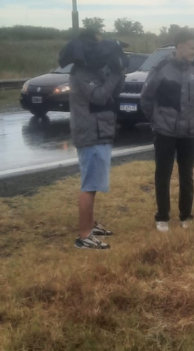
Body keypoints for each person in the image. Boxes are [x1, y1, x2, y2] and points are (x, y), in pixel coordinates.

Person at [141, 30, 194, 232]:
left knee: (187, 175)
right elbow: (146, 97)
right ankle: (162, 217)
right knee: (163, 175)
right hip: (165, 132)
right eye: (191, 48)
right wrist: (154, 120)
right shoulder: (161, 68)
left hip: (190, 133)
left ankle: (185, 217)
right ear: (179, 46)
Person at [66, 28, 126, 250]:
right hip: (90, 133)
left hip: (101, 131)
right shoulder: (81, 72)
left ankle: (90, 225)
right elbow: (100, 96)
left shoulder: (95, 69)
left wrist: (119, 72)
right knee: (89, 185)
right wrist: (115, 75)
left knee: (94, 183)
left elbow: (112, 92)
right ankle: (84, 236)